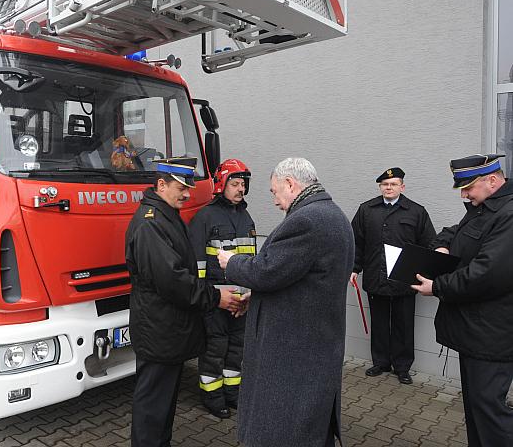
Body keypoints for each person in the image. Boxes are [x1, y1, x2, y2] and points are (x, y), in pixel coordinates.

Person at [217, 157, 354, 447]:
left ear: (290, 184)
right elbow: (301, 277)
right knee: (311, 428)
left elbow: (266, 270)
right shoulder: (332, 214)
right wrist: (258, 295)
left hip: (294, 353)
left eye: (274, 191)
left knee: (286, 429)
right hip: (314, 345)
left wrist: (232, 262)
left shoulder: (306, 220)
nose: (275, 200)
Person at [125, 156, 243, 447]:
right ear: (161, 185)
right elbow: (173, 281)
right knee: (153, 407)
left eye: (189, 187)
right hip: (160, 331)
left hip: (167, 330)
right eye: (181, 187)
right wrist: (215, 297)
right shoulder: (151, 224)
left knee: (162, 405)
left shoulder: (165, 215)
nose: (188, 193)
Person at [411, 154, 513, 447]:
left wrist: (437, 286)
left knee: (490, 412)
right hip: (475, 332)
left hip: (492, 336)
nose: (464, 195)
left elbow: (487, 273)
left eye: (468, 188)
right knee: (477, 409)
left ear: (492, 180)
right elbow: (453, 232)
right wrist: (442, 245)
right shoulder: (483, 207)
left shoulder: (508, 214)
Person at [350, 167, 436, 384]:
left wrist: (425, 275)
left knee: (404, 324)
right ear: (380, 187)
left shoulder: (416, 212)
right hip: (375, 276)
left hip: (405, 281)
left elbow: (428, 245)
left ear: (402, 187)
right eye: (385, 185)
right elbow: (356, 243)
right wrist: (353, 269)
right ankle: (380, 362)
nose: (389, 188)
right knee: (379, 322)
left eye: (393, 184)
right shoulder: (366, 210)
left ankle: (402, 367)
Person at [188, 158, 256, 418]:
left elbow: (252, 262)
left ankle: (232, 394)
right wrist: (208, 298)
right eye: (235, 183)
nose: (240, 189)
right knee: (214, 350)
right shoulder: (205, 216)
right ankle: (212, 397)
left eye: (243, 184)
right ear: (221, 185)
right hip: (216, 300)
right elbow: (196, 264)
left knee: (236, 350)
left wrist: (248, 294)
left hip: (241, 300)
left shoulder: (246, 217)